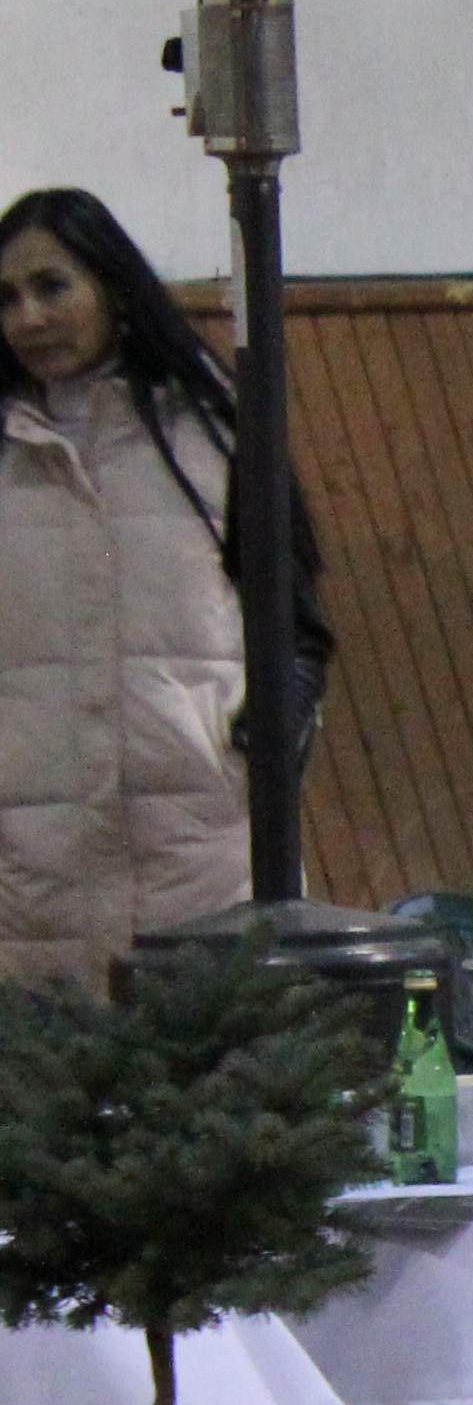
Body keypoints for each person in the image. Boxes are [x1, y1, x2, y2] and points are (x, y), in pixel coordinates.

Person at [0, 186, 328, 991]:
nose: (30, 317)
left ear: (112, 286)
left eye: (52, 286)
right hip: (33, 884)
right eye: (6, 298)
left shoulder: (215, 438)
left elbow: (296, 632)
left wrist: (253, 754)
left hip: (203, 864)